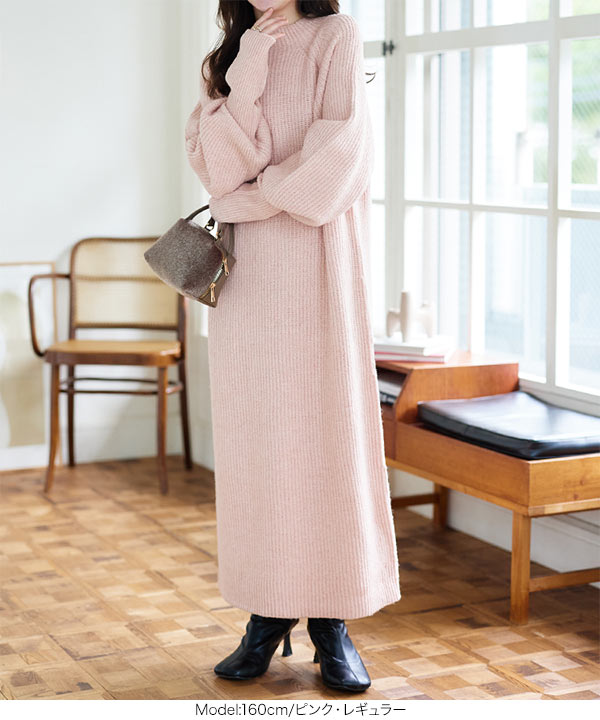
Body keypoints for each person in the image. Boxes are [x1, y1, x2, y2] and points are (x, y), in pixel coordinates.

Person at [184, 0, 401, 693]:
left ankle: (332, 622)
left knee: (327, 440)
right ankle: (266, 614)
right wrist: (246, 69)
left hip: (320, 268)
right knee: (259, 450)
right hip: (249, 286)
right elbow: (219, 169)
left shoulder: (335, 34)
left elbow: (340, 157)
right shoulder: (230, 54)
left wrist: (252, 198)